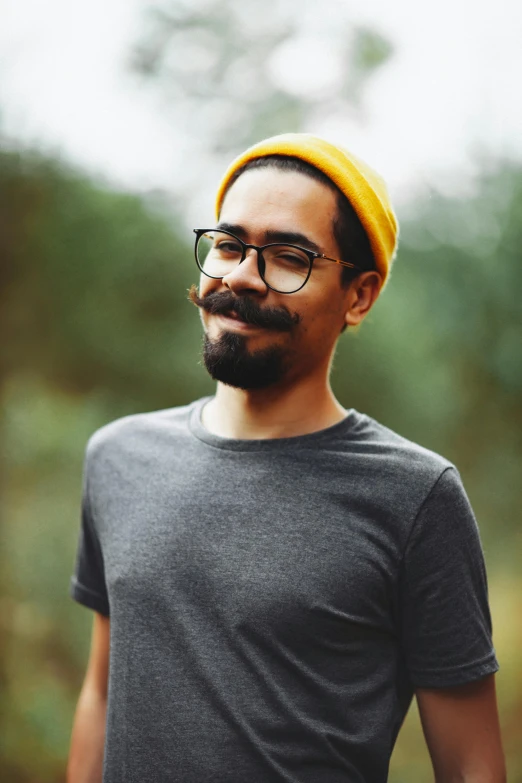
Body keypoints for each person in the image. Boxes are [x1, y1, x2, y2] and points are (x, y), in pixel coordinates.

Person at [67, 133, 505, 783]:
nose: (242, 273)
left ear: (359, 295)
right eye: (228, 244)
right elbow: (102, 692)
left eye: (287, 256)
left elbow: (471, 764)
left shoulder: (416, 496)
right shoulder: (118, 456)